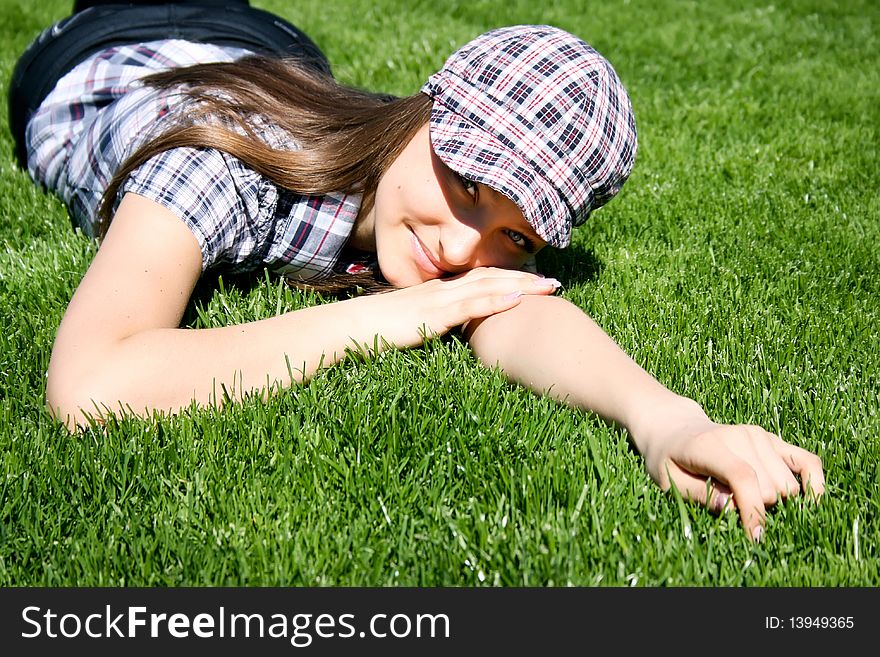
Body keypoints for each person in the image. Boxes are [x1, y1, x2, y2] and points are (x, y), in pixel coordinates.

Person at [8, 0, 824, 542]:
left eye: (517, 234)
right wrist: (381, 317)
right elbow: (92, 383)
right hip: (105, 44)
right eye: (468, 183)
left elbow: (502, 305)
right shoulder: (221, 154)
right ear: (427, 106)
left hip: (272, 45)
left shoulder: (435, 206)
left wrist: (670, 422)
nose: (466, 248)